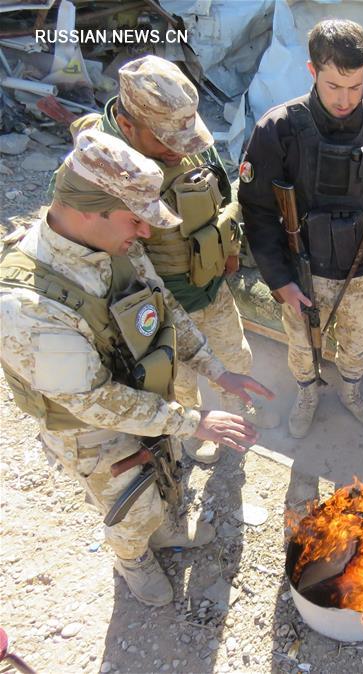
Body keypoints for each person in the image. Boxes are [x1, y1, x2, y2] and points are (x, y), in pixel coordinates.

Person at [0, 129, 274, 607]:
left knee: (165, 476)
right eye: (135, 220)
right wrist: (193, 421)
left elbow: (162, 308)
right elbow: (94, 401)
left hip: (148, 398)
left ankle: (166, 531)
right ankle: (133, 560)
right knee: (128, 505)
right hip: (93, 432)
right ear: (88, 209)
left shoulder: (116, 242)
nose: (146, 233)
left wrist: (214, 369)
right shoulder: (26, 306)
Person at [68, 55, 278, 465]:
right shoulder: (101, 168)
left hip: (211, 286)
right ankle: (193, 431)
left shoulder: (182, 136)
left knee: (234, 357)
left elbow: (221, 195)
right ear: (127, 126)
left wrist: (229, 251)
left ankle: (235, 418)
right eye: (165, 140)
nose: (178, 149)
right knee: (180, 380)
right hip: (158, 304)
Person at [238, 19, 363, 439]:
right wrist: (280, 280)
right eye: (333, 85)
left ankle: (351, 392)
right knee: (302, 346)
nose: (344, 99)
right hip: (303, 270)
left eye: (355, 86)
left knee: (357, 345)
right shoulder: (278, 130)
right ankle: (308, 393)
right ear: (311, 71)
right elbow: (257, 210)